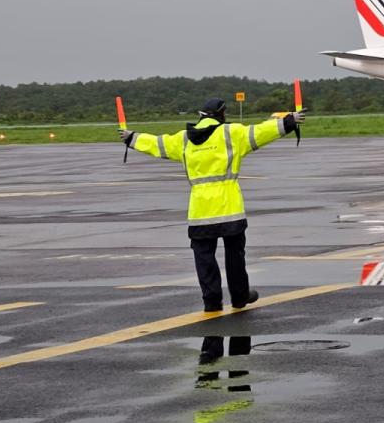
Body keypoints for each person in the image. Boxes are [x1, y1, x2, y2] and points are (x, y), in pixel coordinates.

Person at [120, 98, 304, 312]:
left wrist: (132, 138)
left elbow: (157, 143)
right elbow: (261, 132)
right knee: (235, 256)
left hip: (200, 212)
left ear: (201, 115)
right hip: (230, 209)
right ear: (222, 114)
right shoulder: (231, 133)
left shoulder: (184, 139)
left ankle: (212, 301)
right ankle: (239, 297)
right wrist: (289, 121)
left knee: (204, 258)